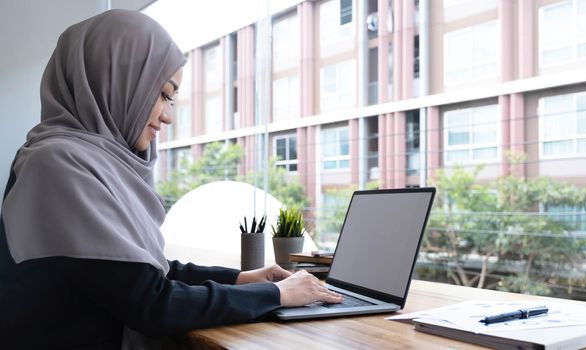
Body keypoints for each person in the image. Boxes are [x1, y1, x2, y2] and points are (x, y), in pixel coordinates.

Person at [0, 9, 342, 349]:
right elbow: (152, 303)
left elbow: (143, 272)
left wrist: (242, 279)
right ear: (114, 82)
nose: (167, 116)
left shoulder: (87, 162)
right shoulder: (57, 165)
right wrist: (276, 294)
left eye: (172, 98)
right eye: (163, 93)